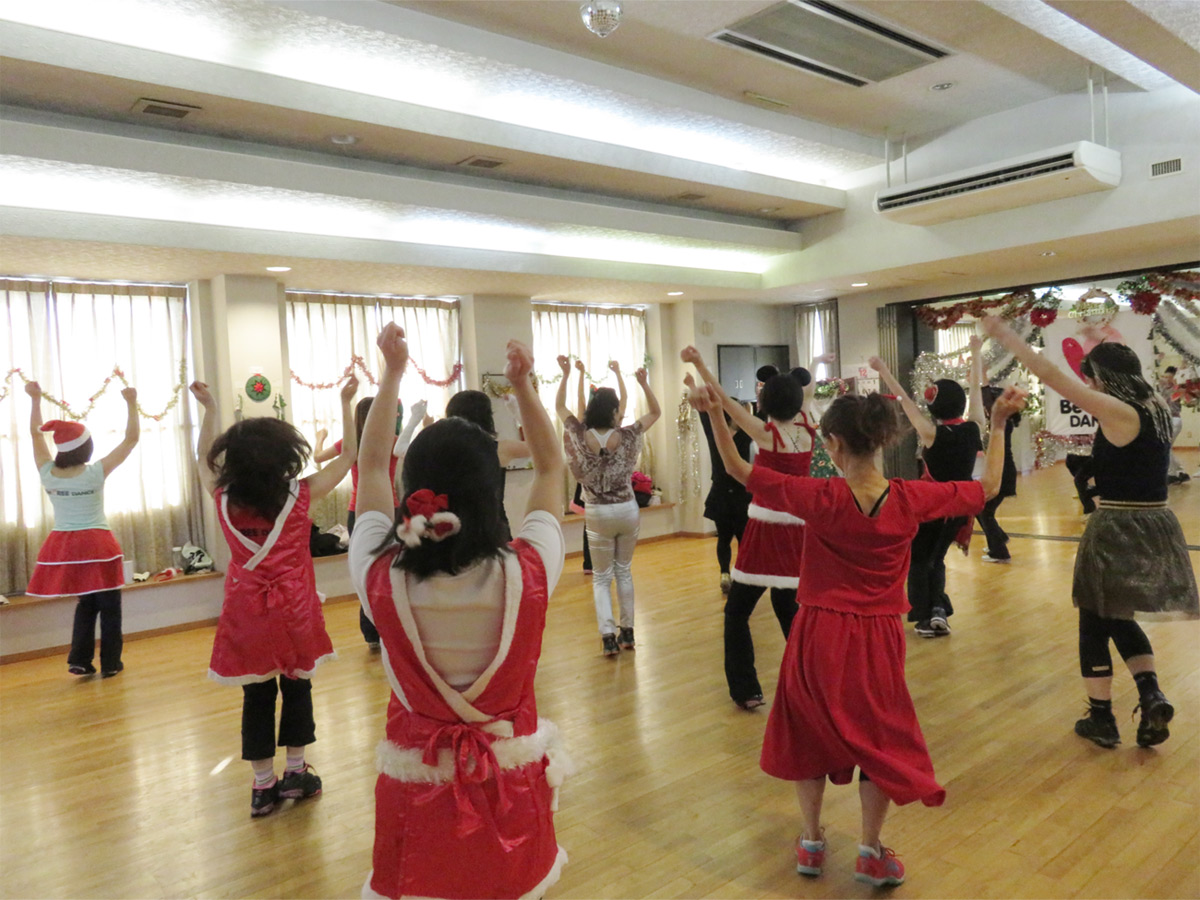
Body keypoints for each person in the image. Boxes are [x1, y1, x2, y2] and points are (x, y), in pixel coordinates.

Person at [695, 380, 1024, 887]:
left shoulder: (818, 496)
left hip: (816, 632)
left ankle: (811, 842)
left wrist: (715, 413)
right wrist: (998, 424)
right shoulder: (910, 498)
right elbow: (989, 487)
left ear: (833, 443)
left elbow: (739, 469)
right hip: (878, 637)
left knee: (808, 732)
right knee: (879, 740)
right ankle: (870, 850)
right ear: (881, 441)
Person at [350, 324, 570, 900]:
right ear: (491, 493)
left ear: (410, 489)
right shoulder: (530, 574)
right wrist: (523, 387)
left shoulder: (379, 577)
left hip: (414, 792)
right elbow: (551, 468)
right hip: (511, 790)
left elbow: (369, 468)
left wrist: (392, 375)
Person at [982, 316, 1199, 748]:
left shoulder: (1119, 411)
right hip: (1157, 522)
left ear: (1104, 380)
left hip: (1118, 524)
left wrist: (1007, 337)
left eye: (1093, 381)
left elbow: (1051, 374)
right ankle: (1150, 694)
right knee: (1116, 615)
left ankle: (1102, 717)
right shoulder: (1155, 404)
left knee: (1093, 618)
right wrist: (1095, 340)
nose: (1091, 388)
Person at [191, 374, 358, 818]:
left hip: (245, 610)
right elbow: (349, 456)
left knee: (257, 695)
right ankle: (296, 773)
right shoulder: (301, 494)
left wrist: (209, 411)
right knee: (298, 687)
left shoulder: (223, 496)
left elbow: (201, 459)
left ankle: (262, 786)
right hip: (295, 609)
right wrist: (346, 402)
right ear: (285, 456)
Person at [682, 346, 831, 709]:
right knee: (789, 611)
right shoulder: (808, 429)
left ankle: (746, 689)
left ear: (764, 402)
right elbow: (808, 392)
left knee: (737, 612)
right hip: (797, 534)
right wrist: (814, 365)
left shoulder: (767, 434)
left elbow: (722, 399)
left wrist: (699, 363)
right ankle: (812, 685)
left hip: (765, 533)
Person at [871, 337, 985, 637]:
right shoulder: (974, 429)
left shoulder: (932, 434)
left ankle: (928, 614)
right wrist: (975, 352)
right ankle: (937, 609)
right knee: (936, 558)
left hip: (931, 505)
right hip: (961, 506)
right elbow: (976, 390)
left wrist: (883, 370)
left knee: (920, 559)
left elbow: (904, 401)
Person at [24, 381, 139, 678]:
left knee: (86, 603)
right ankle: (111, 663)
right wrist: (131, 402)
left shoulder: (47, 472)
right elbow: (130, 440)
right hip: (98, 544)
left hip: (66, 546)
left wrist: (35, 399)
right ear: (87, 448)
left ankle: (79, 659)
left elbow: (35, 434)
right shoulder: (95, 472)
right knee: (110, 606)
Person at [555, 356, 660, 657]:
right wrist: (643, 383)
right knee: (623, 571)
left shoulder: (579, 434)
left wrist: (565, 375)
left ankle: (608, 638)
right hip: (627, 509)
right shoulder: (628, 435)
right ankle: (628, 633)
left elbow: (559, 407)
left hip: (598, 513)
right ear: (614, 412)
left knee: (602, 578)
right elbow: (655, 412)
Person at [315, 396, 425, 648]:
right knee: (391, 568)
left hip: (359, 512)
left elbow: (318, 457)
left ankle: (372, 634)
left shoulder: (351, 443)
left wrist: (320, 437)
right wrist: (417, 421)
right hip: (388, 509)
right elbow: (411, 450)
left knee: (364, 570)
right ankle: (387, 629)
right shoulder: (391, 441)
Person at [686, 374, 752, 595]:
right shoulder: (745, 434)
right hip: (742, 494)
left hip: (721, 493)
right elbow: (761, 416)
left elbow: (703, 413)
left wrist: (692, 385)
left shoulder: (715, 434)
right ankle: (741, 576)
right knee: (744, 539)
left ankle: (724, 573)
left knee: (723, 538)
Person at [445, 388, 529, 538]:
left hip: (455, 528)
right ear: (487, 417)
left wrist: (427, 427)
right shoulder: (500, 449)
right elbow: (541, 445)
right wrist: (516, 411)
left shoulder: (442, 449)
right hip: (494, 528)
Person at [975, 384, 1021, 562]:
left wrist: (981, 376)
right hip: (1004, 471)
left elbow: (987, 398)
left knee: (984, 511)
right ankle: (998, 539)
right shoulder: (1004, 422)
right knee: (983, 510)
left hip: (1003, 472)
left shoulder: (1002, 422)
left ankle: (999, 551)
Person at [1161, 366, 1189, 484]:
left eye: (1169, 377)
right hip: (1167, 420)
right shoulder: (1163, 389)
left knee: (1165, 447)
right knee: (1166, 447)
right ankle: (1180, 472)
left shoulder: (1177, 389)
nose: (1166, 379)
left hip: (1174, 419)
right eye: (1165, 377)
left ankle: (1174, 473)